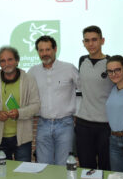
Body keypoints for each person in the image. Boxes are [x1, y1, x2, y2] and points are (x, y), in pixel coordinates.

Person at [0, 46, 40, 161]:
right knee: (1, 174)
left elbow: (36, 105)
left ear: (17, 61)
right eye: (3, 61)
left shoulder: (28, 79)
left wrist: (19, 113)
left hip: (22, 139)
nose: (7, 63)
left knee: (23, 174)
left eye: (10, 59)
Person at [28, 35, 79, 165]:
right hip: (43, 124)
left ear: (55, 49)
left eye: (48, 49)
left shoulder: (69, 68)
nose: (44, 53)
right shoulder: (33, 71)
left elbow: (85, 88)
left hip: (65, 124)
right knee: (43, 166)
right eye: (41, 50)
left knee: (63, 165)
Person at [75, 25, 113, 170]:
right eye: (87, 40)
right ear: (83, 42)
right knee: (86, 168)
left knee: (106, 167)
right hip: (83, 124)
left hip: (106, 125)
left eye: (94, 40)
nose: (91, 44)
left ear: (102, 41)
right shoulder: (82, 60)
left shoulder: (111, 63)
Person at [105, 55, 123, 173]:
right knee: (116, 176)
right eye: (110, 71)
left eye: (117, 70)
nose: (113, 74)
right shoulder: (112, 89)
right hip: (114, 141)